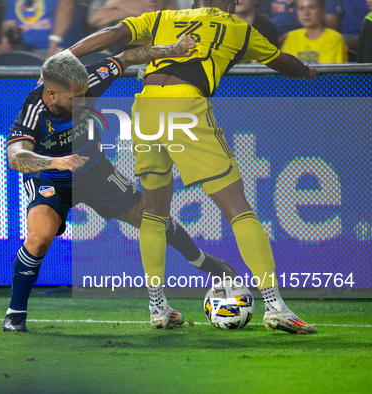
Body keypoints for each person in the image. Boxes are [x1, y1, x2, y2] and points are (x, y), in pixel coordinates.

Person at [68, 0, 320, 334]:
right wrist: (305, 71)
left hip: (144, 109)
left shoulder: (163, 17)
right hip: (185, 105)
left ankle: (158, 308)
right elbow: (282, 61)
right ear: (230, 2)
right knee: (239, 211)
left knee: (154, 214)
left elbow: (112, 33)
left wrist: (64, 58)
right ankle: (275, 306)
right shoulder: (239, 27)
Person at [4, 37, 237, 332]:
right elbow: (16, 156)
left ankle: (203, 262)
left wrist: (171, 50)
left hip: (96, 172)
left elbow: (128, 55)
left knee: (154, 218)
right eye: (76, 97)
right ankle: (15, 313)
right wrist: (55, 162)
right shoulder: (34, 110)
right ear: (51, 94)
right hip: (52, 178)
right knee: (38, 239)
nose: (84, 100)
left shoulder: (86, 81)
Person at [282, 0, 347, 63]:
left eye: (312, 8)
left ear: (323, 11)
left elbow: (331, 72)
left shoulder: (334, 38)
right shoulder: (292, 37)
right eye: (301, 9)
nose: (306, 13)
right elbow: (284, 69)